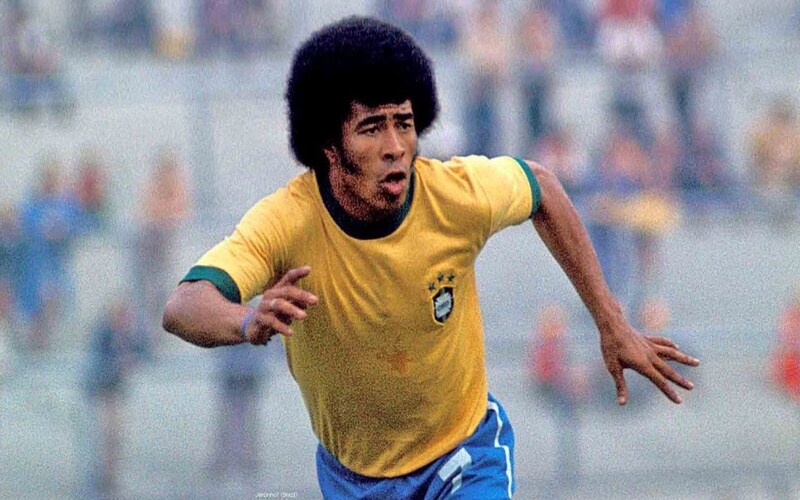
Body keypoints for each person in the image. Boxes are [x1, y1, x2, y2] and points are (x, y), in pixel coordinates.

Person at [163, 16, 699, 498]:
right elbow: (184, 305)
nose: (396, 145)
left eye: (404, 122)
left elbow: (543, 188)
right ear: (328, 144)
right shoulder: (286, 222)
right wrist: (247, 321)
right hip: (353, 478)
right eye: (372, 127)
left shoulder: (455, 195)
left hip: (463, 456)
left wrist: (611, 322)